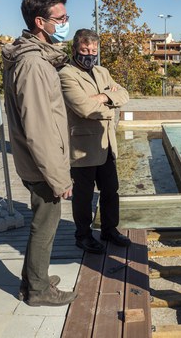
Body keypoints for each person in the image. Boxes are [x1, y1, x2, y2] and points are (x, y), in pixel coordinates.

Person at [2, 0, 76, 307]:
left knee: (43, 222)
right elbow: (39, 130)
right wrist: (59, 178)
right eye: (60, 18)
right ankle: (38, 290)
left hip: (39, 162)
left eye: (66, 17)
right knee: (45, 225)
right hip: (42, 164)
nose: (65, 23)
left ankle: (34, 279)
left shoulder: (36, 58)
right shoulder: (32, 65)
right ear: (40, 22)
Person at [59, 28, 130, 253]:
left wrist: (102, 97)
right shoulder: (66, 74)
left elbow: (125, 95)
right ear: (75, 49)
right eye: (85, 49)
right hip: (83, 146)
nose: (89, 54)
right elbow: (82, 107)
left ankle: (110, 229)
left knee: (111, 190)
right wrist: (110, 101)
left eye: (93, 50)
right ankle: (83, 235)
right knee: (84, 195)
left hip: (106, 142)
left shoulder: (102, 71)